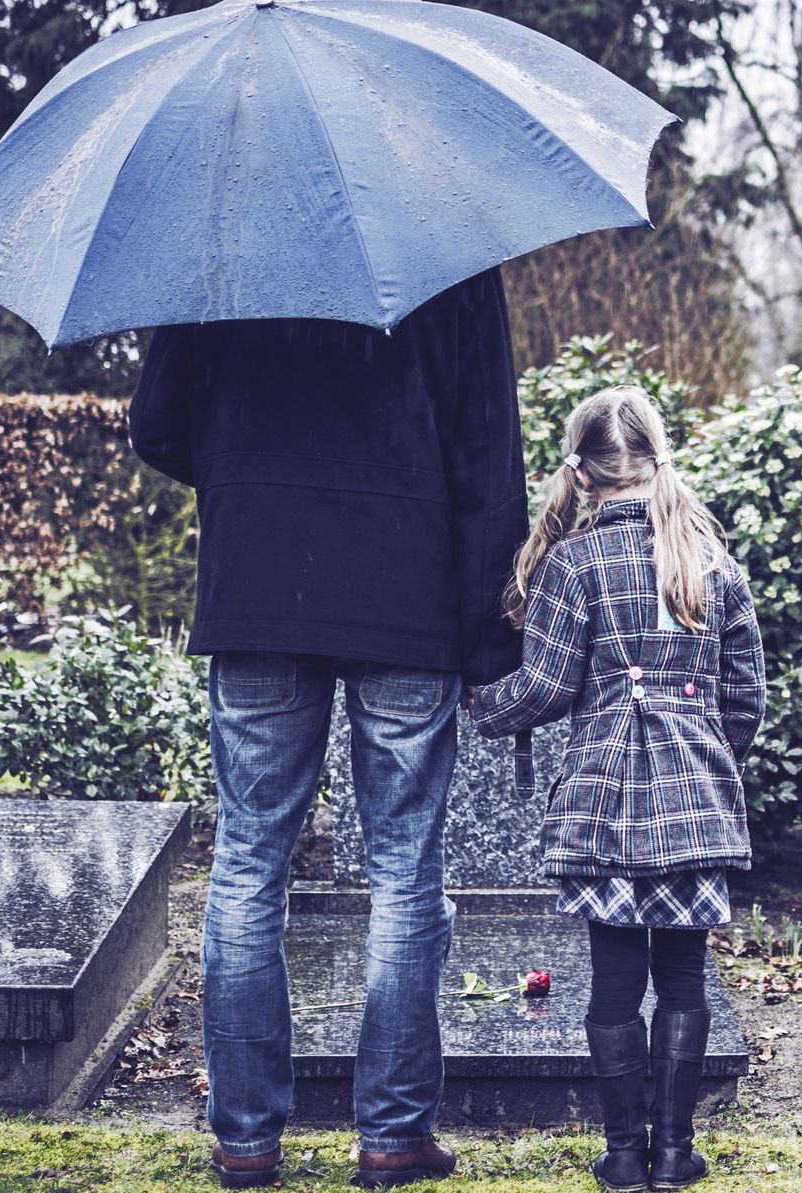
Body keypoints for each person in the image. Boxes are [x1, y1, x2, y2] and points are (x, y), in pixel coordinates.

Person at [129, 269, 527, 1190]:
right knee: (403, 869)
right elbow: (486, 455)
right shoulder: (451, 247)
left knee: (247, 861)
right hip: (408, 596)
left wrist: (254, 473)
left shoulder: (223, 243)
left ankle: (245, 1141)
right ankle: (391, 1136)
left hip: (258, 587)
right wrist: (486, 641)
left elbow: (158, 425)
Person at [466, 386, 765, 1193]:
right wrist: (700, 758)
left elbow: (545, 686)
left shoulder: (572, 562)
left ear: (583, 471)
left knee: (613, 980)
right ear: (655, 458)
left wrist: (478, 706)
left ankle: (623, 1155)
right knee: (683, 978)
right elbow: (746, 699)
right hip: (695, 801)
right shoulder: (712, 563)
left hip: (603, 801)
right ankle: (676, 1152)